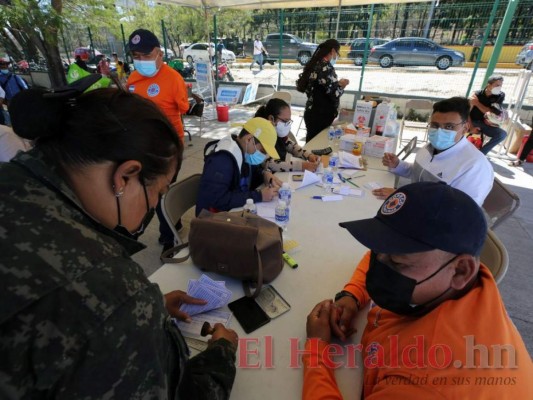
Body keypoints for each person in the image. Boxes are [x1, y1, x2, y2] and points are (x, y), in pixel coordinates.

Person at [0, 75, 238, 399]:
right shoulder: (108, 291)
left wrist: (145, 314)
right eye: (158, 191)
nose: (155, 204)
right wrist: (222, 351)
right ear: (125, 176)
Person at [304, 181, 533, 399]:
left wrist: (316, 348)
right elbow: (382, 254)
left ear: (460, 271)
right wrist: (352, 296)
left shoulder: (429, 380)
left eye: (398, 262)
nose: (378, 262)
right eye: (380, 250)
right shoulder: (456, 276)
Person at [126, 28, 190, 253]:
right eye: (136, 56)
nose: (141, 60)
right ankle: (175, 221)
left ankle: (168, 239)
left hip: (169, 147)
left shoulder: (174, 79)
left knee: (161, 192)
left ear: (159, 54)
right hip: (143, 145)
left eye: (146, 55)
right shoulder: (132, 79)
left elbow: (184, 107)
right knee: (155, 192)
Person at [372, 97, 493, 206]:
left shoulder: (474, 167)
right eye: (435, 125)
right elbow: (419, 174)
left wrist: (404, 197)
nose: (439, 131)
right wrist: (398, 165)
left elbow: (457, 211)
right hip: (413, 207)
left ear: (465, 128)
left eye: (449, 126)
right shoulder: (428, 148)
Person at [196, 117, 280, 216]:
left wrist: (264, 174)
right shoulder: (222, 161)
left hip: (232, 212)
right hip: (213, 220)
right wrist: (259, 196)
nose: (263, 156)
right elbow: (218, 199)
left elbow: (249, 176)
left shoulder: (243, 150)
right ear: (249, 139)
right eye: (262, 151)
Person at [296, 39, 349, 143]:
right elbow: (334, 94)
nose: (336, 56)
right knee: (317, 145)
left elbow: (319, 86)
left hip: (311, 112)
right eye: (337, 53)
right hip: (321, 115)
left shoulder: (314, 64)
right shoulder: (326, 67)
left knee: (310, 143)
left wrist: (336, 83)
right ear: (333, 51)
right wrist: (342, 86)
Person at [255, 98, 320, 172]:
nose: (287, 125)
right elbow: (269, 163)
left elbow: (292, 146)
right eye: (285, 121)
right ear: (271, 118)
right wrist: (301, 166)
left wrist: (309, 156)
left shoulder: (277, 133)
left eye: (289, 121)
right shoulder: (259, 134)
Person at [470, 74, 507, 155]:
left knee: (502, 134)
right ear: (489, 85)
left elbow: (492, 113)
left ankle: (481, 154)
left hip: (486, 124)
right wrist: (471, 127)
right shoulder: (477, 94)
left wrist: (476, 103)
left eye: (500, 85)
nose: (499, 88)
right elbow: (466, 113)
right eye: (497, 85)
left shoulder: (500, 95)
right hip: (473, 121)